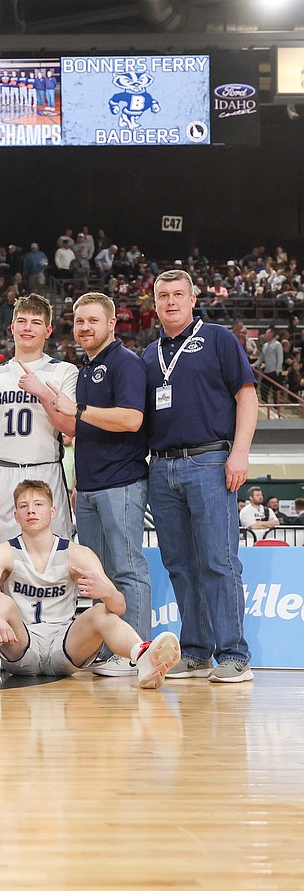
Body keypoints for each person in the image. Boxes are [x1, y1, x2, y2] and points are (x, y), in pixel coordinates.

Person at [142, 269, 256, 683]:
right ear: (154, 305)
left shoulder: (218, 338)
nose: (170, 302)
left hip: (210, 461)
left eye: (177, 294)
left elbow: (247, 394)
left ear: (193, 299)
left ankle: (234, 656)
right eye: (162, 296)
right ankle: (196, 651)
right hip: (161, 466)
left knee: (218, 562)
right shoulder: (148, 354)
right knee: (180, 565)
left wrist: (239, 452)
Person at [0, 480, 181, 689]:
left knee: (100, 611)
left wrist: (106, 592)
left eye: (38, 505)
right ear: (16, 516)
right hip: (21, 644)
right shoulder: (3, 551)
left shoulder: (77, 554)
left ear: (53, 511)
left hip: (65, 647)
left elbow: (119, 607)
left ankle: (142, 657)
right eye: (24, 506)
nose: (31, 511)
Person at [43, 292, 152, 676]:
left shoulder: (126, 363)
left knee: (126, 568)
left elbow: (132, 420)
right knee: (98, 574)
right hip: (88, 485)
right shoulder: (86, 368)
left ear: (111, 324)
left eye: (93, 320)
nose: (85, 327)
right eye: (79, 321)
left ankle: (138, 650)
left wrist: (80, 410)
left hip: (121, 482)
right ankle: (111, 647)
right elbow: (80, 429)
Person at [0, 294, 77, 547]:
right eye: (21, 321)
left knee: (54, 558)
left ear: (48, 330)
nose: (27, 328)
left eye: (35, 322)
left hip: (46, 470)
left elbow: (70, 427)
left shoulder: (64, 371)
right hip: (2, 473)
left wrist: (43, 393)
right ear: (12, 327)